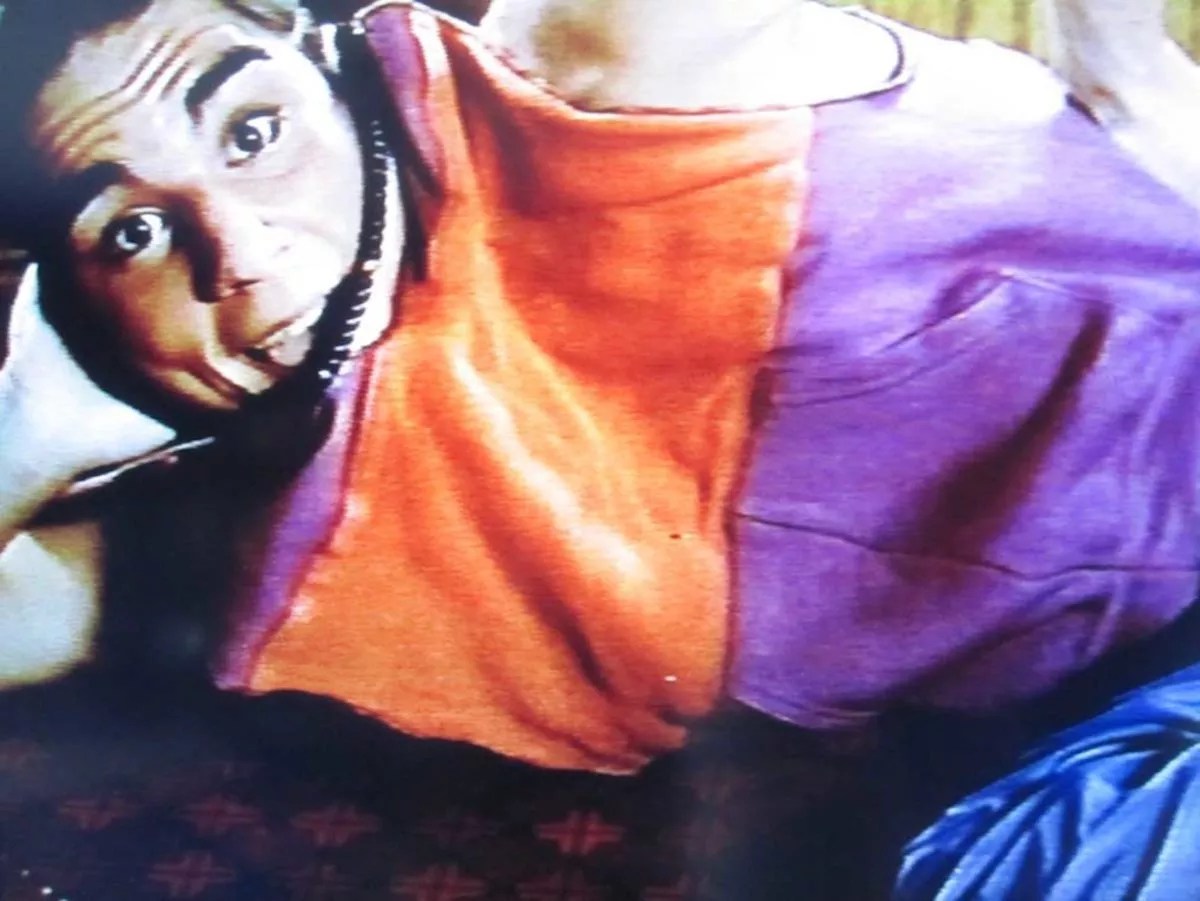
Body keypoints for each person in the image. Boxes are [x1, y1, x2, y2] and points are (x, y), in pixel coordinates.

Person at [1, 0, 1200, 895]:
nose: (241, 250)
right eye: (134, 232)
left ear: (328, 64)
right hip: (1118, 745)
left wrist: (1126, 81)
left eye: (255, 131)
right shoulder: (251, 537)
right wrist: (26, 426)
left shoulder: (582, 68)